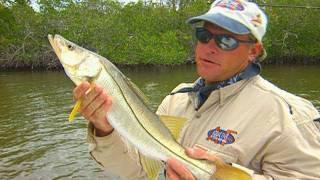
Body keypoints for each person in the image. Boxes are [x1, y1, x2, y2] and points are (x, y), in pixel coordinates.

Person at [73, 0, 320, 179]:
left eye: (226, 40)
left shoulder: (289, 115)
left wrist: (218, 177)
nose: (209, 48)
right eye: (204, 36)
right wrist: (105, 129)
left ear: (253, 51)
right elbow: (136, 170)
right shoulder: (176, 99)